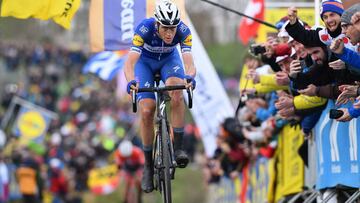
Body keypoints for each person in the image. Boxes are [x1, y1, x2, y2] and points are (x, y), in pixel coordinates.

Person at [124, 0, 196, 193]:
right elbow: (130, 63)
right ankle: (148, 166)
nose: (169, 33)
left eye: (172, 28)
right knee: (147, 110)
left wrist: (189, 77)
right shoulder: (144, 29)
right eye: (165, 28)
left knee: (177, 91)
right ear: (157, 23)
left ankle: (178, 147)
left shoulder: (183, 31)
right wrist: (131, 81)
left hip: (169, 62)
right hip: (144, 64)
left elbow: (189, 61)